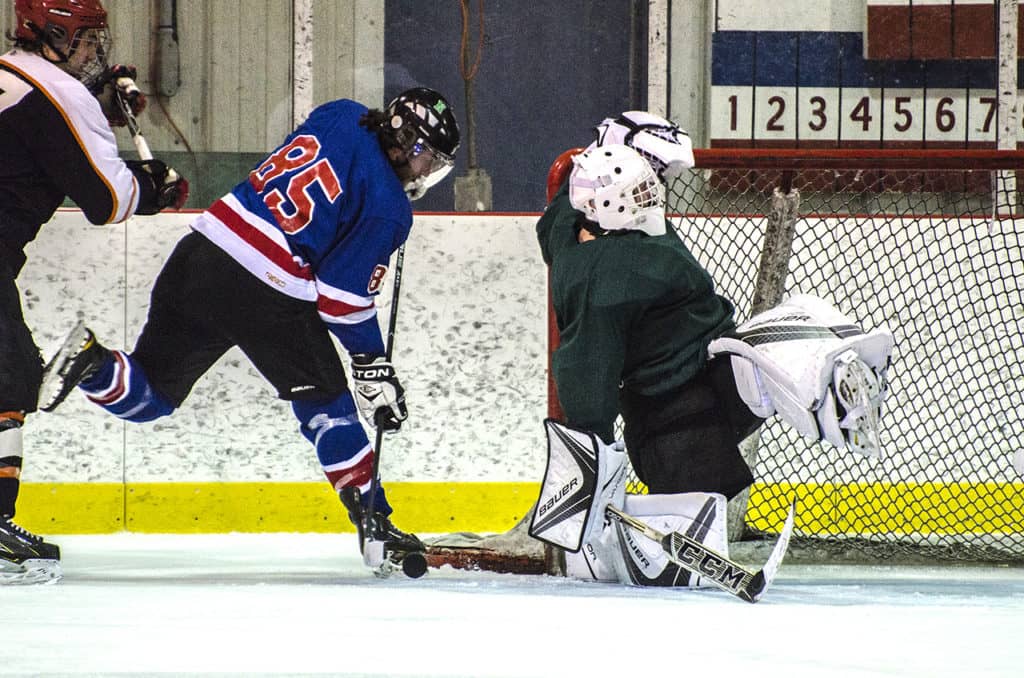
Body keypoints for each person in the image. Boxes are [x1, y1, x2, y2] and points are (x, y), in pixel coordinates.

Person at [38, 86, 460, 574]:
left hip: (202, 252)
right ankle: (374, 520)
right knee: (327, 406)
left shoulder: (341, 114)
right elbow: (342, 300)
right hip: (267, 290)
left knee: (151, 395)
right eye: (429, 158)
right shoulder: (390, 205)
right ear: (408, 141)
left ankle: (93, 365)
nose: (427, 172)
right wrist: (371, 362)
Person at [533, 119, 892, 586]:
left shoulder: (580, 229)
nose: (655, 196)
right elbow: (586, 374)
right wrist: (590, 461)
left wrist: (609, 147)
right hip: (674, 413)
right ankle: (811, 389)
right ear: (609, 203)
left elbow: (560, 215)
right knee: (756, 362)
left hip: (709, 366)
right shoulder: (606, 282)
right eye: (641, 190)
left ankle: (818, 380)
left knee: (779, 332)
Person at [1, 0, 188, 584]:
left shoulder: (12, 74)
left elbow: (42, 143)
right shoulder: (59, 95)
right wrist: (155, 189)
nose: (93, 53)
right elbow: (106, 200)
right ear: (54, 36)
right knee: (9, 380)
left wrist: (101, 111)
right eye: (84, 40)